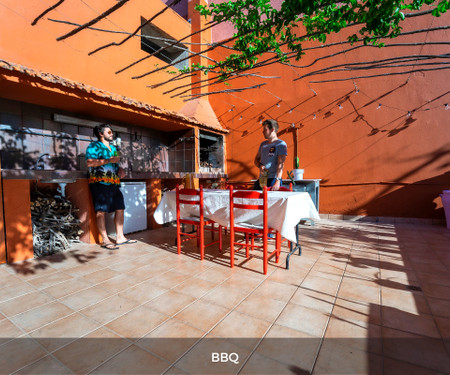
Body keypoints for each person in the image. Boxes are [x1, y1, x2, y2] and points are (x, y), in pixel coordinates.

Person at [86, 124, 137, 250]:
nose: (111, 134)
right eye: (109, 132)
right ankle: (105, 240)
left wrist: (120, 169)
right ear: (101, 134)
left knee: (120, 208)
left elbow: (115, 164)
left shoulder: (113, 148)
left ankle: (120, 238)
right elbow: (89, 162)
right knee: (101, 211)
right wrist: (109, 161)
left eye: (112, 132)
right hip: (99, 182)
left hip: (114, 182)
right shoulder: (93, 146)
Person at [253, 119, 287, 191]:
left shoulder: (281, 144)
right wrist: (260, 165)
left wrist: (277, 180)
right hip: (262, 179)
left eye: (265, 129)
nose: (263, 132)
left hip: (273, 179)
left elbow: (281, 164)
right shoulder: (263, 144)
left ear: (272, 129)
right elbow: (256, 160)